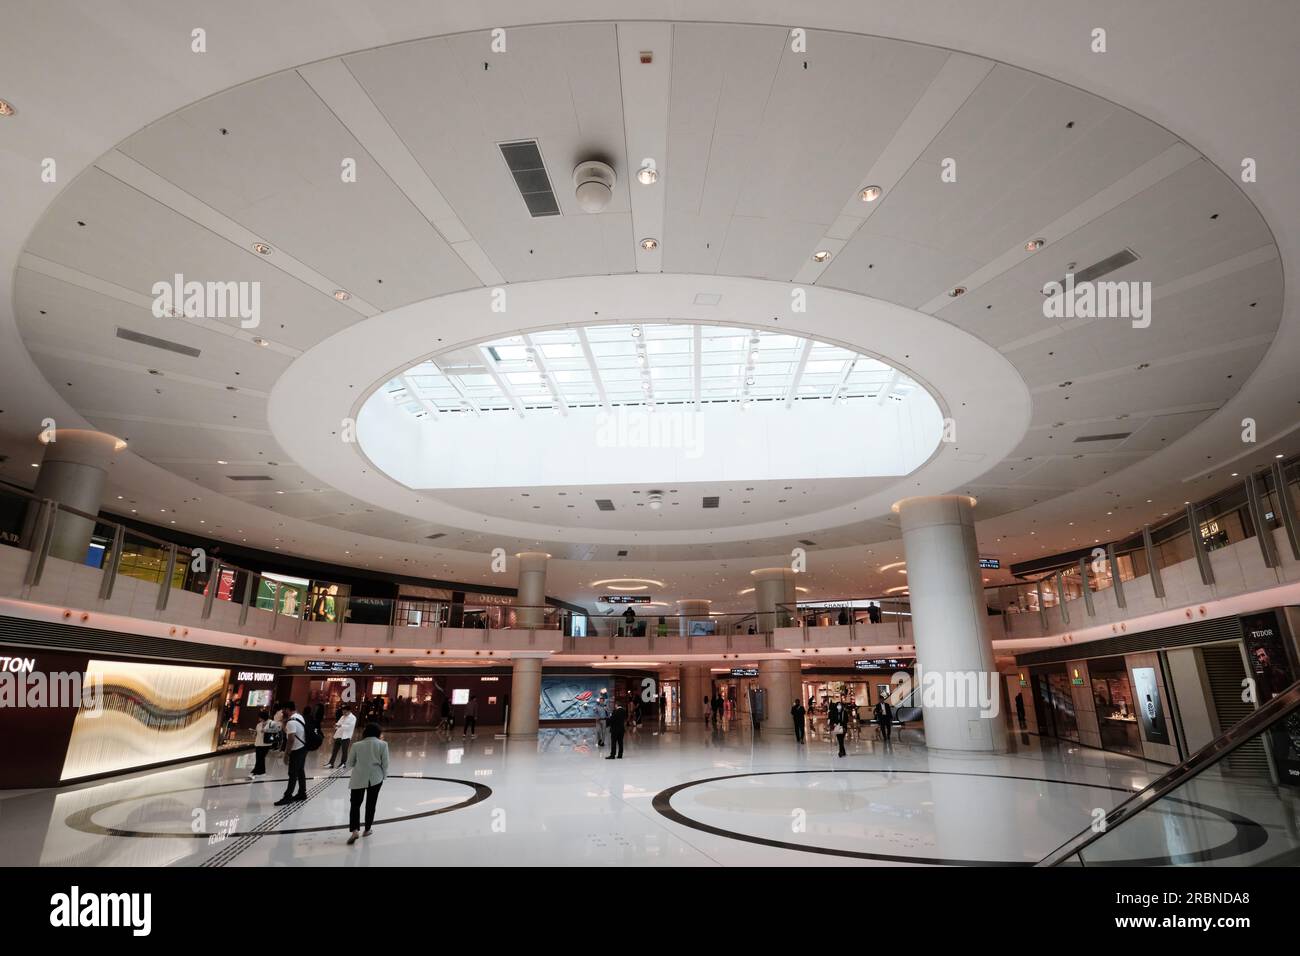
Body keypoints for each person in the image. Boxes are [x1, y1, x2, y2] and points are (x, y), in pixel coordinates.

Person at [345, 722, 390, 844]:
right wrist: (384, 777)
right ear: (378, 733)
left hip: (358, 777)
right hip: (376, 778)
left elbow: (349, 763)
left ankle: (355, 830)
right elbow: (385, 764)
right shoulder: (383, 745)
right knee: (371, 803)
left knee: (355, 804)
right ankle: (367, 829)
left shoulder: (356, 745)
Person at [274, 701, 308, 806]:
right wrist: (284, 721)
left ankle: (288, 796)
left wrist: (286, 754)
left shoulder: (291, 722)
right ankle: (302, 793)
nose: (283, 711)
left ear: (288, 709)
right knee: (300, 771)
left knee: (293, 774)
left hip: (297, 750)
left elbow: (291, 739)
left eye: (284, 709)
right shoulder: (299, 717)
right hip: (303, 748)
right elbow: (288, 731)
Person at [326, 704, 357, 769]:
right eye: (343, 712)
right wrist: (336, 725)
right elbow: (338, 723)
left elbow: (350, 727)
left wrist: (341, 726)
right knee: (335, 750)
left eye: (345, 712)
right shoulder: (342, 716)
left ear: (349, 711)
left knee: (344, 751)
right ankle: (331, 763)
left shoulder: (353, 718)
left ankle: (343, 763)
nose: (344, 713)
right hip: (339, 735)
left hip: (346, 737)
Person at [250, 709, 277, 778]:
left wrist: (265, 730)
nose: (259, 718)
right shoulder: (259, 724)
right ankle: (261, 772)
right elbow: (257, 733)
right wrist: (253, 733)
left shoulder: (271, 723)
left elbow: (276, 730)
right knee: (259, 758)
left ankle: (255, 771)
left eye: (260, 717)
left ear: (263, 717)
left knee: (260, 758)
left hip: (266, 744)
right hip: (258, 743)